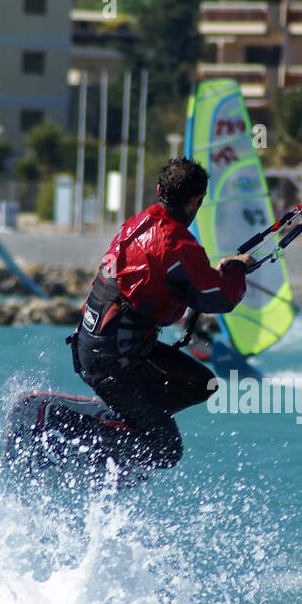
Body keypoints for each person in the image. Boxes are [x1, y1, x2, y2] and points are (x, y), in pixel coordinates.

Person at [69, 158, 249, 471]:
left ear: (159, 190)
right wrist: (236, 269)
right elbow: (221, 298)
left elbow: (170, 278)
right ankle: (66, 429)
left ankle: (125, 421)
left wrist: (212, 273)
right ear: (196, 201)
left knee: (202, 384)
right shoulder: (178, 242)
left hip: (107, 348)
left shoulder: (139, 222)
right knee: (165, 450)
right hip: (112, 360)